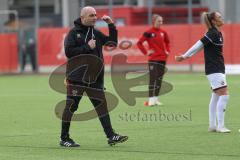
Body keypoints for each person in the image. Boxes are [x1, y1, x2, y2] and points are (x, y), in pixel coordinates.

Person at [60, 6, 128, 147]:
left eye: (95, 15)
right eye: (91, 15)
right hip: (77, 78)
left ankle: (111, 136)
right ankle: (64, 138)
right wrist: (87, 47)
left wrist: (111, 25)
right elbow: (69, 52)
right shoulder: (73, 33)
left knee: (102, 106)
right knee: (71, 107)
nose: (95, 17)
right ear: (83, 17)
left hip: (94, 78)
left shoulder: (95, 33)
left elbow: (112, 43)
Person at [175, 11, 230, 133]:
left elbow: (200, 47)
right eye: (219, 17)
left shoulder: (217, 33)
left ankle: (212, 125)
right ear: (214, 21)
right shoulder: (212, 33)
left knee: (216, 96)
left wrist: (185, 56)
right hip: (214, 69)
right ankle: (221, 126)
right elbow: (198, 45)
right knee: (224, 95)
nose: (222, 18)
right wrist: (184, 56)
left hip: (217, 68)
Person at [137, 14, 170, 106]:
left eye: (161, 21)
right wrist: (146, 52)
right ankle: (151, 100)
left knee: (159, 79)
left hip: (162, 58)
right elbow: (139, 43)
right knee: (153, 78)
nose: (161, 23)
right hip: (153, 59)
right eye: (159, 21)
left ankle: (155, 100)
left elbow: (167, 42)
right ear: (154, 21)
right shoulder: (148, 32)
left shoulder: (163, 32)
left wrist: (167, 51)